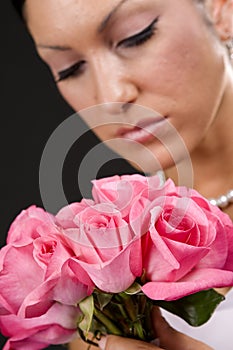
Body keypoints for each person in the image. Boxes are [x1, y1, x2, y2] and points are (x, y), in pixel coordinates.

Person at [11, 0, 233, 349]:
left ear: (222, 9)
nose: (111, 97)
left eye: (136, 37)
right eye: (70, 69)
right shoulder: (100, 275)